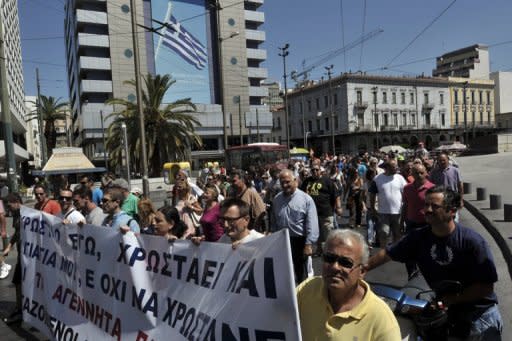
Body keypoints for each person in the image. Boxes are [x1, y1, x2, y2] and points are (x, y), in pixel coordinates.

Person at [367, 186, 503, 340]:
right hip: (451, 317)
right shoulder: (418, 238)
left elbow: (486, 287)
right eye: (426, 205)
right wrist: (362, 269)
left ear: (452, 211)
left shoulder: (472, 242)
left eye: (435, 206)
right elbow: (388, 253)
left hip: (481, 319)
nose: (428, 210)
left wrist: (452, 299)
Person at [297, 229, 401, 341]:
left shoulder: (381, 319)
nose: (335, 267)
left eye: (345, 262)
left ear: (362, 271)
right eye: (329, 258)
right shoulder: (308, 289)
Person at [271, 169, 319, 283]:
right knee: (285, 272)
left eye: (287, 182)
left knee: (301, 272)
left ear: (295, 181)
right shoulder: (277, 199)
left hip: (300, 241)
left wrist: (308, 244)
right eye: (282, 182)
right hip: (283, 240)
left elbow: (312, 223)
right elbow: (274, 221)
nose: (285, 185)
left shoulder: (306, 199)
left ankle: (303, 297)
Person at [399, 163, 435, 278]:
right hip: (411, 224)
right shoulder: (407, 188)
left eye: (421, 172)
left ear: (426, 173)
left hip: (428, 224)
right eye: (416, 173)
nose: (419, 175)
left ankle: (429, 276)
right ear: (412, 174)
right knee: (408, 251)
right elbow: (405, 205)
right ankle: (412, 275)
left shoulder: (432, 188)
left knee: (428, 252)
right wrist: (401, 222)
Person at [301, 161, 342, 254]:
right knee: (317, 232)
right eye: (313, 170)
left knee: (328, 231)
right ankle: (320, 249)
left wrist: (338, 207)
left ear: (320, 170)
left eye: (317, 170)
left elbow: (336, 195)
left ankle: (331, 250)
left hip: (326, 211)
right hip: (312, 213)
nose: (315, 171)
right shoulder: (307, 181)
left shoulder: (327, 181)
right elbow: (301, 194)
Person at [368, 159, 407, 247]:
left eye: (396, 166)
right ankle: (383, 251)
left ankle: (396, 251)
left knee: (397, 233)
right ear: (387, 167)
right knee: (383, 233)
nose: (396, 168)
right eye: (394, 167)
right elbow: (372, 194)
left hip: (398, 212)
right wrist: (373, 208)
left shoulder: (400, 178)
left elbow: (406, 192)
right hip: (383, 212)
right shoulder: (377, 178)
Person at [2, 193, 23, 324]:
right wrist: (9, 246)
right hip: (21, 255)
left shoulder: (27, 215)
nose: (8, 209)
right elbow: (17, 233)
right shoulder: (15, 214)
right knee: (18, 283)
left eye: (9, 206)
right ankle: (19, 309)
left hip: (29, 256)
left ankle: (21, 310)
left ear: (16, 202)